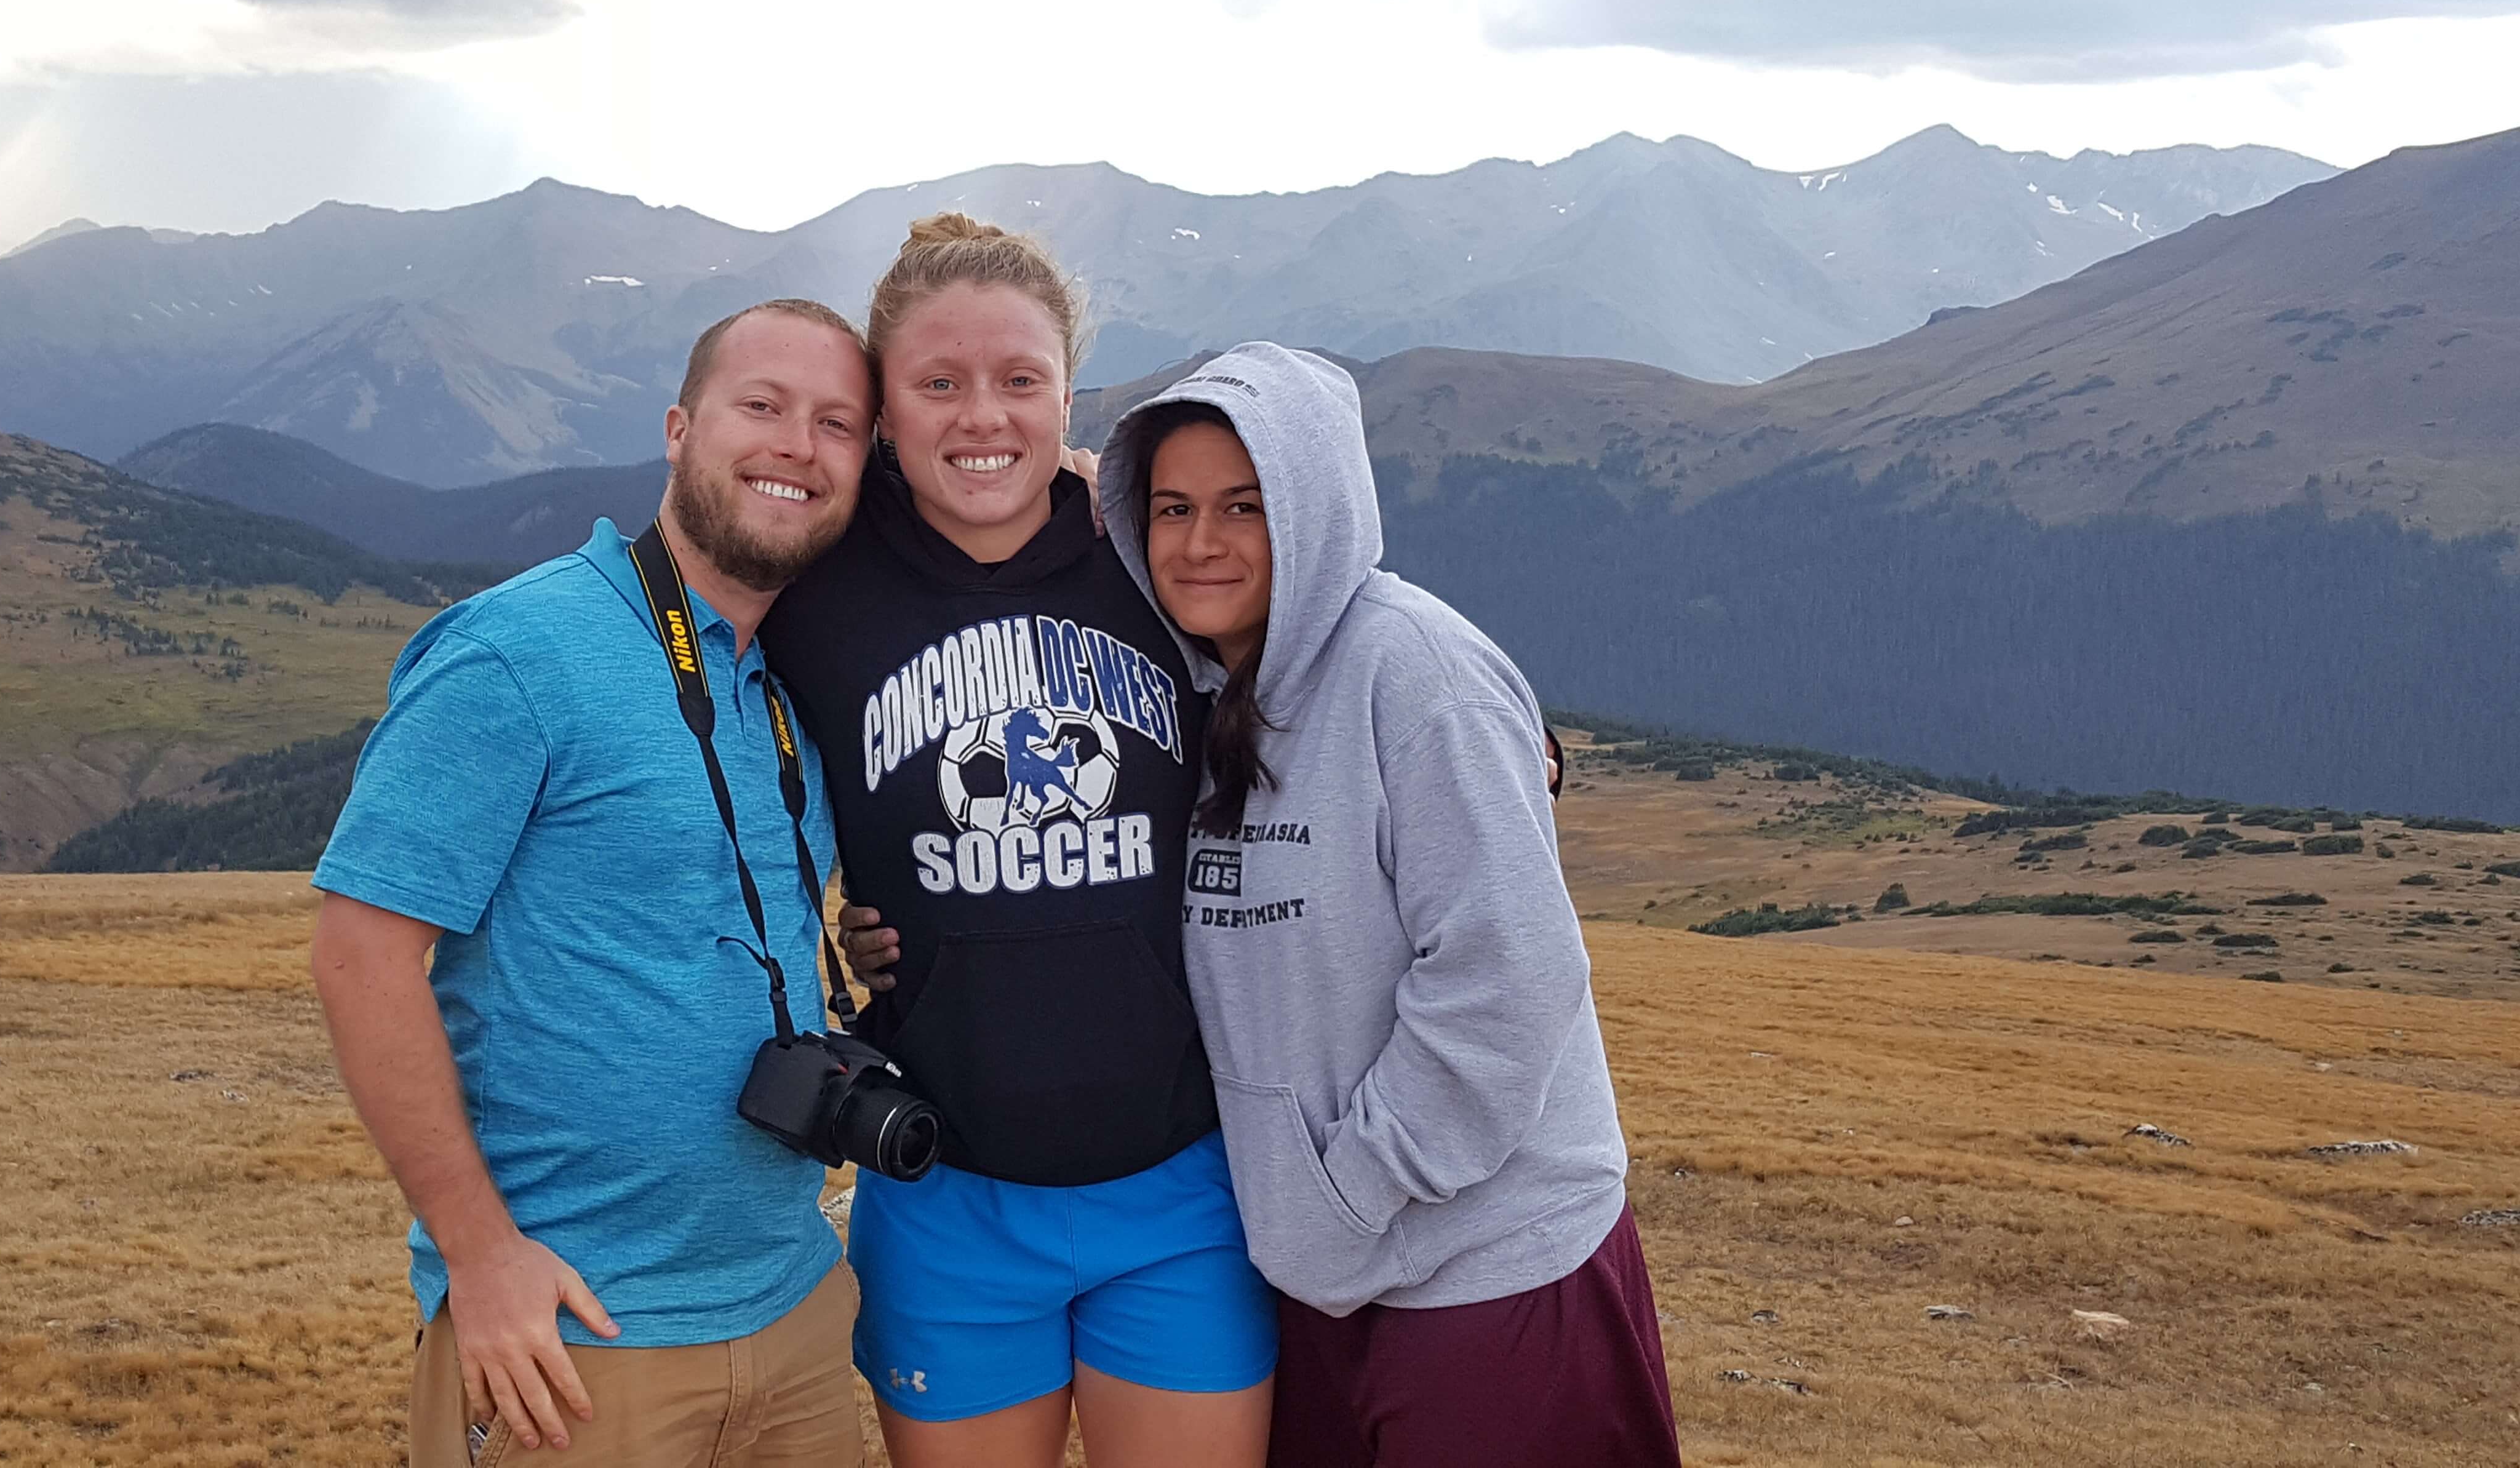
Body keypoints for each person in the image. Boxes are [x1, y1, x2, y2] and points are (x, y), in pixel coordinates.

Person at [851, 341, 1678, 1467]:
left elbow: (1509, 983)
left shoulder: (1413, 671)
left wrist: (1346, 1202)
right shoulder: (1207, 689)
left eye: (1247, 506)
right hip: (1322, 1280)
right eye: (1175, 507)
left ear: (1318, 510)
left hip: (1489, 1273)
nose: (1201, 543)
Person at [309, 298, 879, 1467]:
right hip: (575, 1339)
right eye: (761, 406)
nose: (796, 446)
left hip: (797, 1312)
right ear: (679, 428)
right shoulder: (514, 652)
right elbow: (360, 952)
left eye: (837, 423)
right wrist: (477, 1257)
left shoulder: (791, 675)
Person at [757, 217, 1275, 1468]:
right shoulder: (813, 588)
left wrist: (1499, 731)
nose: (980, 416)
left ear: (1069, 395)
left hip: (1182, 1184)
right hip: (947, 1191)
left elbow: (1334, 655)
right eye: (938, 383)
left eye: (1018, 381)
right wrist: (832, 934)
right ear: (882, 406)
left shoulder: (1154, 567)